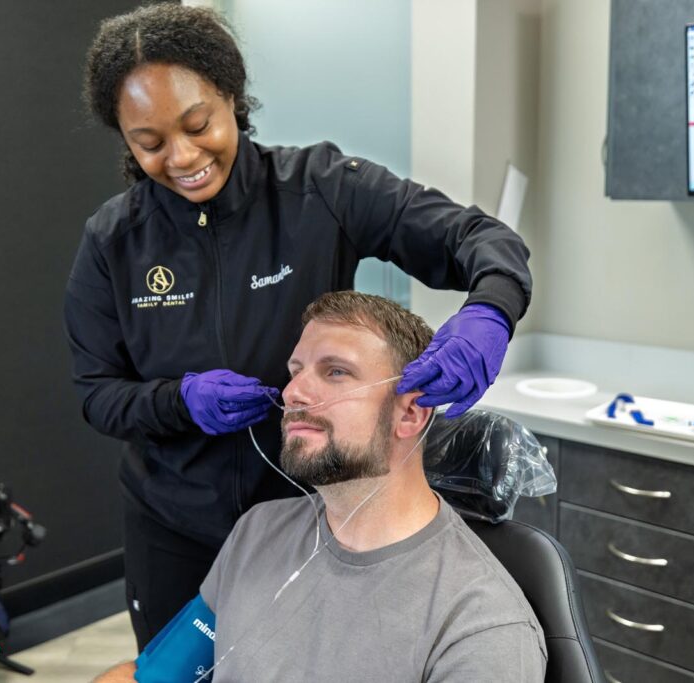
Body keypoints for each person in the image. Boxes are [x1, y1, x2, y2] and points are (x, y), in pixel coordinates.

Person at [65, 3, 533, 653]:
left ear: (232, 94)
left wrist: (490, 310)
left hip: (308, 521)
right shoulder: (113, 242)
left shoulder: (320, 189)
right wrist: (180, 401)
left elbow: (478, 238)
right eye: (149, 142)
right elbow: (97, 393)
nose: (183, 156)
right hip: (173, 530)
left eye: (199, 124)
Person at [94, 291, 546, 682]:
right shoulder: (259, 531)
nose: (292, 392)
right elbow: (159, 675)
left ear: (410, 414)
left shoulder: (480, 624)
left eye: (335, 372)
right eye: (295, 370)